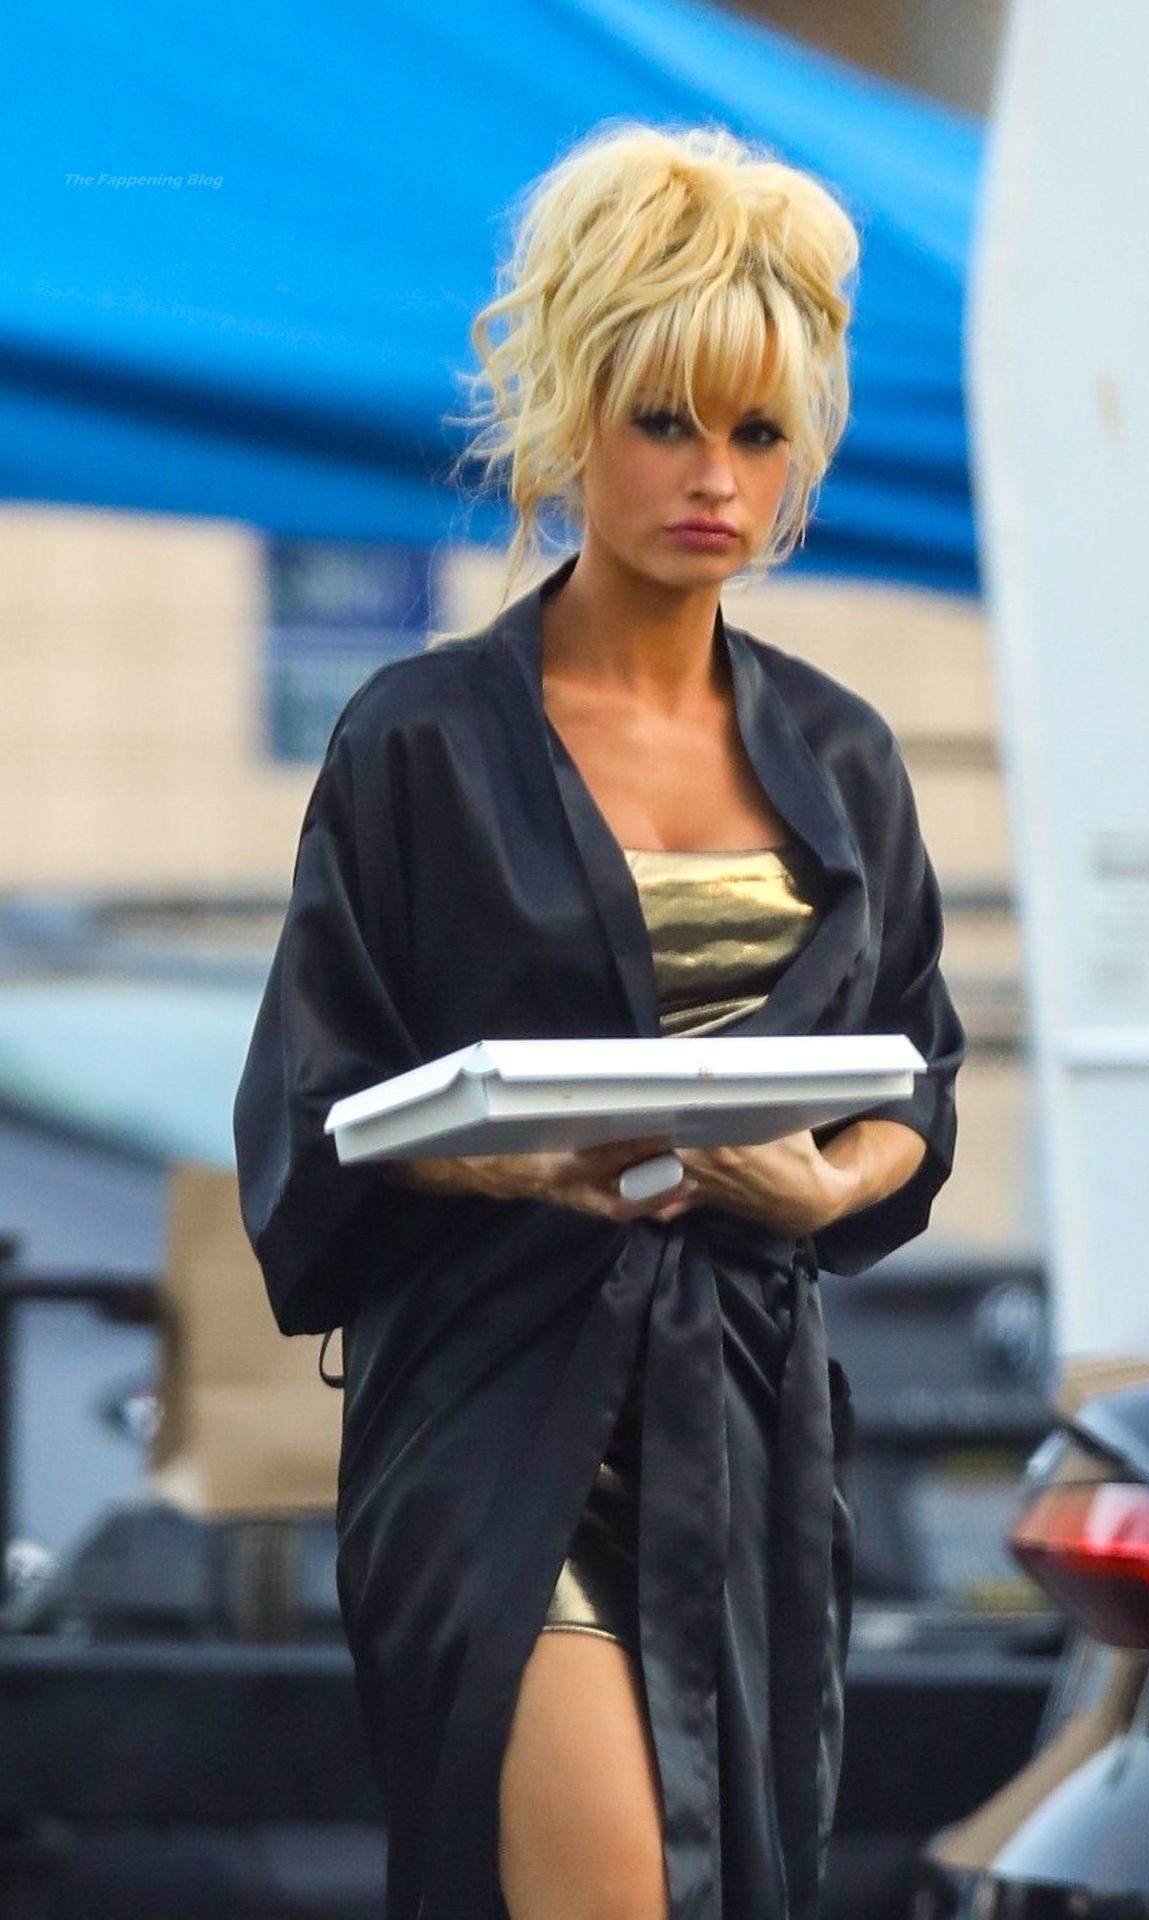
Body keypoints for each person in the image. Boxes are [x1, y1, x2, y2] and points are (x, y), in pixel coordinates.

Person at [233, 121, 965, 1920]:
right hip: (496, 1409)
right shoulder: (417, 742)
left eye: (759, 433)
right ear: (572, 422)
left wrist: (824, 1188)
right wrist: (515, 1164)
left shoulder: (844, 756)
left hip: (748, 1422)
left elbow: (919, 1080)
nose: (714, 476)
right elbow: (312, 1111)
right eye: (665, 421)